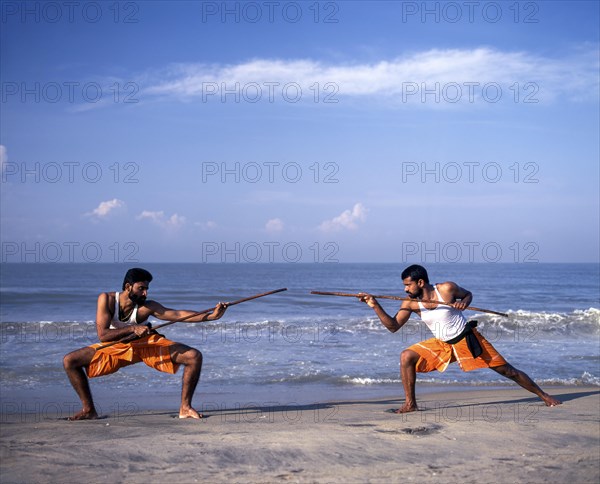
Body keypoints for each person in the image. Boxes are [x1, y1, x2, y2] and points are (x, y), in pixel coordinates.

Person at [359, 264, 561, 413]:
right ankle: (411, 404)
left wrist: (463, 302)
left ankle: (544, 396)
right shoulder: (410, 303)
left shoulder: (447, 289)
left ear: (420, 282)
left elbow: (468, 294)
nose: (405, 289)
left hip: (467, 338)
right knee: (406, 357)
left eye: (408, 285)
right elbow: (393, 326)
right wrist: (375, 305)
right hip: (441, 344)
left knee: (507, 370)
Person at [63, 268, 228, 420]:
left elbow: (178, 314)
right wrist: (133, 329)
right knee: (70, 361)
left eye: (147, 288)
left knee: (194, 356)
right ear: (128, 286)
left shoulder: (147, 307)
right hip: (115, 346)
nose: (145, 293)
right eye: (141, 288)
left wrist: (211, 316)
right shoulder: (106, 299)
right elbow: (103, 335)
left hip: (144, 345)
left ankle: (185, 408)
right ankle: (89, 410)